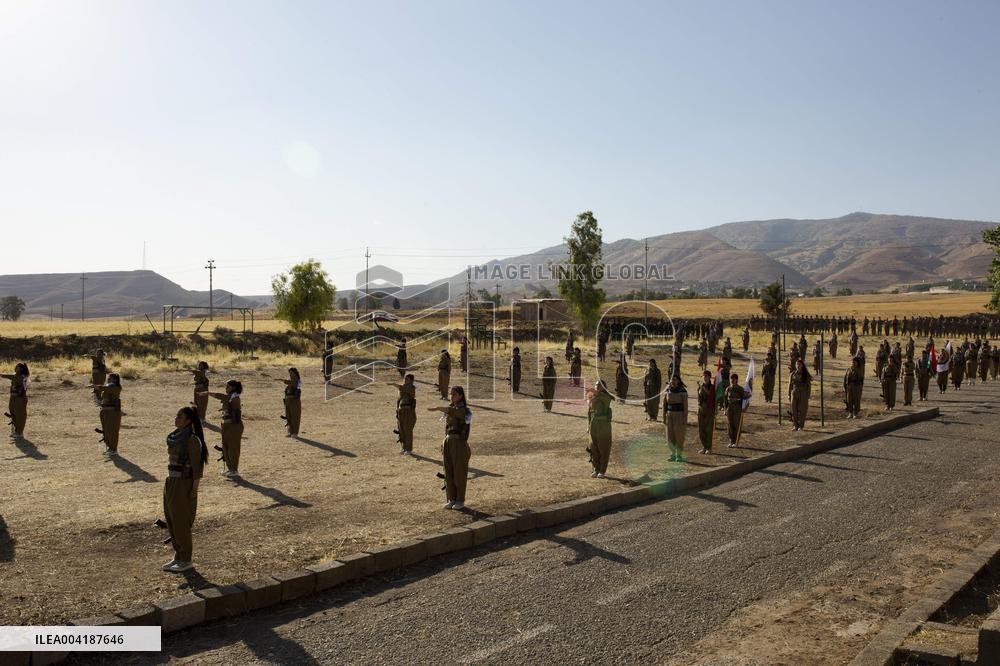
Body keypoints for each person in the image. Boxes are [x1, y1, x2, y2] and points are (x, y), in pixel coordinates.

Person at [162, 406, 206, 573]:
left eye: (180, 416)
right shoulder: (176, 436)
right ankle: (178, 556)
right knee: (171, 520)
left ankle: (186, 559)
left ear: (188, 420)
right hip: (171, 481)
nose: (176, 418)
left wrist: (194, 491)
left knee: (181, 522)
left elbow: (197, 469)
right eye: (177, 415)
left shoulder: (192, 440)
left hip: (184, 483)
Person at [428, 386, 471, 509]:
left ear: (461, 396)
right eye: (451, 394)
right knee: (448, 471)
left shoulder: (464, 410)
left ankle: (460, 500)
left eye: (454, 394)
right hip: (449, 441)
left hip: (459, 443)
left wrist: (438, 408)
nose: (452, 397)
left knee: (459, 473)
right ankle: (451, 498)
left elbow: (456, 414)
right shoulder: (451, 409)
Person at [202, 380, 243, 478]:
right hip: (226, 425)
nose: (226, 388)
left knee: (233, 448)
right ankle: (230, 468)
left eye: (228, 386)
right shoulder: (230, 398)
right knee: (226, 447)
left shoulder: (235, 397)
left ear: (233, 387)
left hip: (234, 426)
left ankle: (234, 469)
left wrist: (208, 393)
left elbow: (222, 397)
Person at [89, 373, 122, 456]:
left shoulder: (116, 387)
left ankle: (113, 449)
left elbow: (105, 388)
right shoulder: (106, 390)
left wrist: (97, 386)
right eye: (108, 378)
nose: (108, 380)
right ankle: (110, 448)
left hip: (112, 413)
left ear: (115, 380)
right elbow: (100, 400)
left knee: (112, 431)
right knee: (106, 431)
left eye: (110, 378)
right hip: (105, 412)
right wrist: (96, 392)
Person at [587, 380, 613, 478]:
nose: (597, 387)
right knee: (594, 448)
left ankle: (602, 471)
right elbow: (589, 413)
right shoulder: (592, 398)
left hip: (603, 427)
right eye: (596, 385)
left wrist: (595, 393)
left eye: (599, 385)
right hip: (594, 426)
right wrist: (588, 426)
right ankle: (595, 469)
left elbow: (605, 400)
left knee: (603, 449)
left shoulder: (606, 397)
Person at [663, 374, 688, 461]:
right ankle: (672, 454)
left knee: (679, 435)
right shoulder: (668, 390)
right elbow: (664, 405)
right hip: (669, 415)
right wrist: (664, 417)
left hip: (679, 415)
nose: (673, 381)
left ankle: (679, 455)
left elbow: (685, 406)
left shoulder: (682, 391)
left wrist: (685, 418)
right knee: (670, 435)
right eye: (672, 380)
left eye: (675, 380)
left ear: (678, 381)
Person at [391, 373, 416, 455]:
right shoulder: (403, 390)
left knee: (407, 430)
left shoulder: (411, 388)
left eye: (407, 379)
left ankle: (408, 449)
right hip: (401, 411)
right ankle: (404, 447)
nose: (405, 380)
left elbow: (402, 388)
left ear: (411, 381)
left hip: (408, 412)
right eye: (405, 379)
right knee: (401, 430)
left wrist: (394, 384)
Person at [3, 363, 29, 441]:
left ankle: (19, 433)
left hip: (20, 398)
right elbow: (6, 375)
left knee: (20, 415)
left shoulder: (23, 377)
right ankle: (15, 431)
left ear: (21, 369)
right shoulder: (15, 376)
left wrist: (20, 392)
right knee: (13, 413)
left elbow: (24, 388)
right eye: (15, 367)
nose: (15, 368)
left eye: (17, 367)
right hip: (13, 397)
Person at [277, 368, 302, 437]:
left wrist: (283, 380)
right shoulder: (291, 381)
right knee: (288, 417)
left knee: (295, 417)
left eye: (291, 373)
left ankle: (295, 433)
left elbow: (294, 384)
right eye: (289, 373)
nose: (290, 374)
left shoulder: (298, 381)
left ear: (295, 373)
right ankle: (290, 432)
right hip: (288, 401)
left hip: (294, 402)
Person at [788, 359, 812, 431]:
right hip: (794, 393)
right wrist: (789, 394)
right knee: (794, 409)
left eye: (799, 364)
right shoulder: (793, 374)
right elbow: (790, 385)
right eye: (796, 364)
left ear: (802, 365)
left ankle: (801, 426)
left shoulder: (805, 374)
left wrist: (807, 396)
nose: (798, 366)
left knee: (802, 410)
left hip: (803, 393)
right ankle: (795, 425)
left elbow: (808, 386)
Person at [723, 373, 745, 447]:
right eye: (731, 379)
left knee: (737, 425)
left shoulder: (740, 389)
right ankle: (731, 440)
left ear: (737, 380)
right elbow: (725, 400)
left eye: (734, 379)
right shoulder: (728, 389)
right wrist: (725, 409)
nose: (732, 380)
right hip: (730, 409)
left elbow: (744, 400)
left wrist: (743, 409)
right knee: (730, 425)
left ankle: (736, 441)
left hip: (737, 409)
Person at [696, 370, 715, 454]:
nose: (704, 377)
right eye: (703, 376)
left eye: (706, 376)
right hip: (701, 409)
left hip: (709, 409)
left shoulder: (711, 386)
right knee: (701, 429)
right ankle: (704, 446)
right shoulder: (700, 387)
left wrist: (702, 387)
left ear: (709, 377)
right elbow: (699, 398)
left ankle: (709, 447)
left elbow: (710, 394)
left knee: (708, 429)